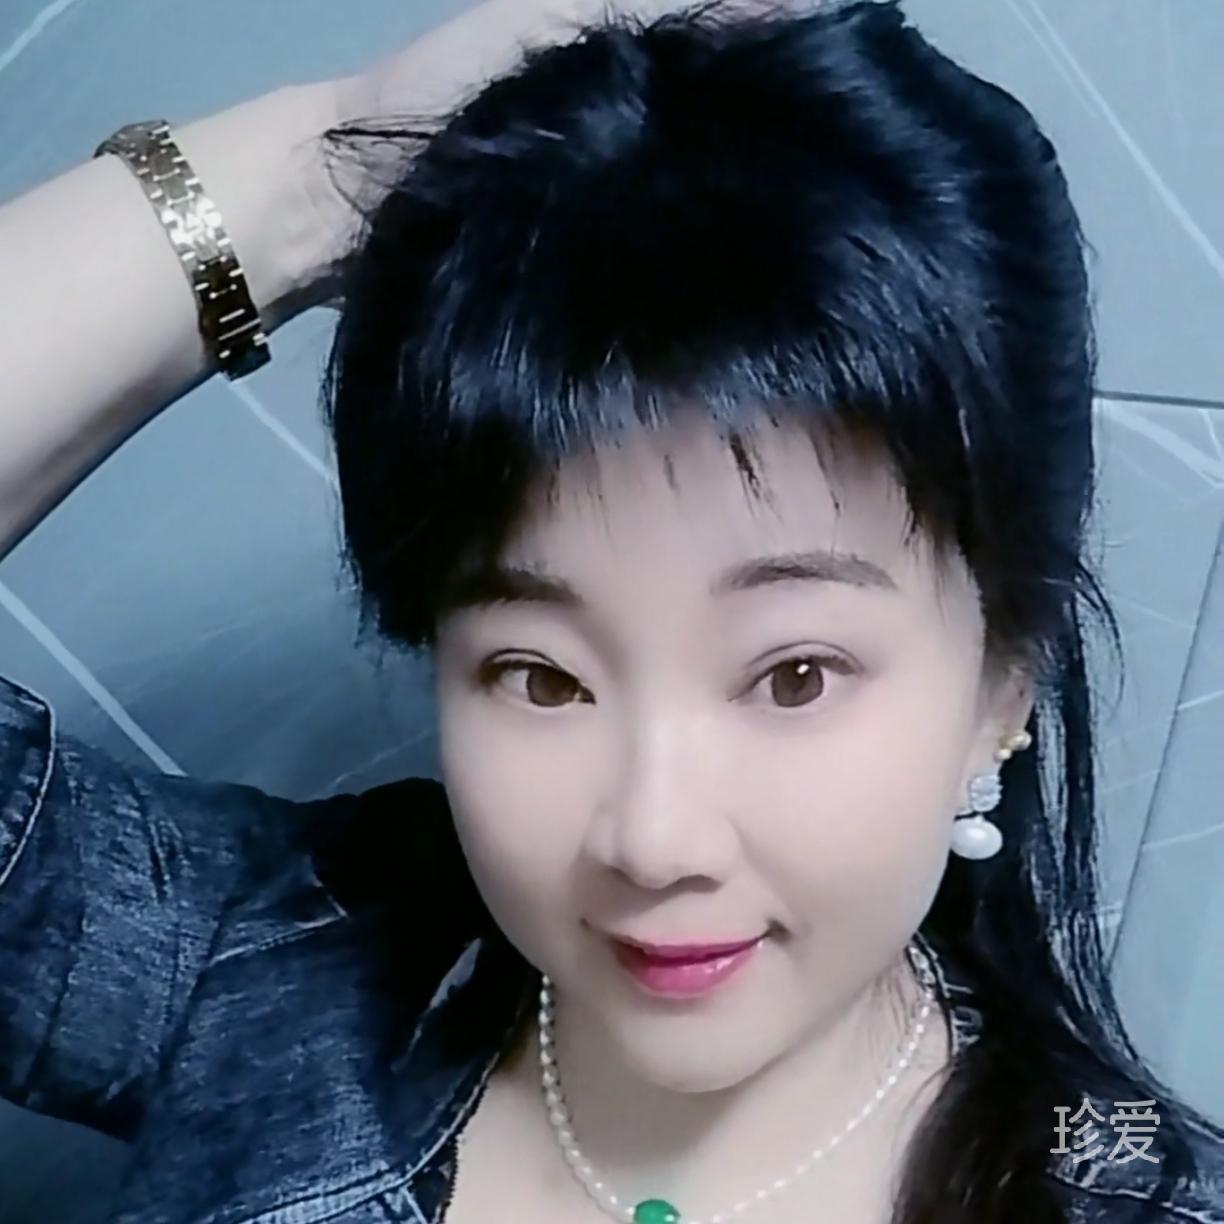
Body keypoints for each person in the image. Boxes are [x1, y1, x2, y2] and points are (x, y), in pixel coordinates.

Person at [0, 1, 1221, 1221]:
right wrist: (318, 180)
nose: (654, 839)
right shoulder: (280, 972)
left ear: (1003, 683)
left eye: (793, 676)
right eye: (542, 676)